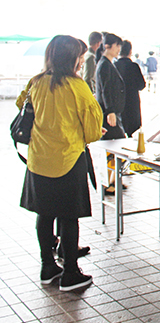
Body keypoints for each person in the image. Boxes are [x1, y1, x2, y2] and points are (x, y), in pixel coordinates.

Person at [18, 35, 103, 291]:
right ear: (73, 58)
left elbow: (21, 104)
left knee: (44, 215)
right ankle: (70, 274)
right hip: (68, 159)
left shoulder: (37, 82)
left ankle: (47, 267)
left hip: (38, 160)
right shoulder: (77, 87)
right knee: (68, 218)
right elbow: (92, 131)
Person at [95, 33, 126, 195]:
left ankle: (113, 180)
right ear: (108, 46)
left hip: (112, 112)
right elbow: (106, 90)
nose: (119, 49)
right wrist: (110, 111)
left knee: (114, 147)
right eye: (117, 46)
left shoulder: (107, 63)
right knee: (114, 146)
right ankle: (108, 182)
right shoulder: (104, 65)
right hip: (109, 114)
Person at [115, 40, 146, 137]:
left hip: (118, 102)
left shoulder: (114, 66)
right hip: (132, 102)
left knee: (119, 131)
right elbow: (142, 85)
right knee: (133, 132)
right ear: (130, 51)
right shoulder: (134, 66)